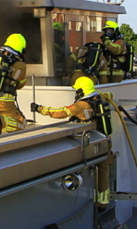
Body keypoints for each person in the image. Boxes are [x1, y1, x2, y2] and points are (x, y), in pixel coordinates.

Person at [31, 76, 113, 204]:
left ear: (81, 90)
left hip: (89, 143)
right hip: (104, 140)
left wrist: (39, 108)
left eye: (77, 90)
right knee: (103, 172)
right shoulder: (101, 98)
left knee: (77, 166)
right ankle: (103, 202)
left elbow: (61, 112)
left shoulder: (81, 105)